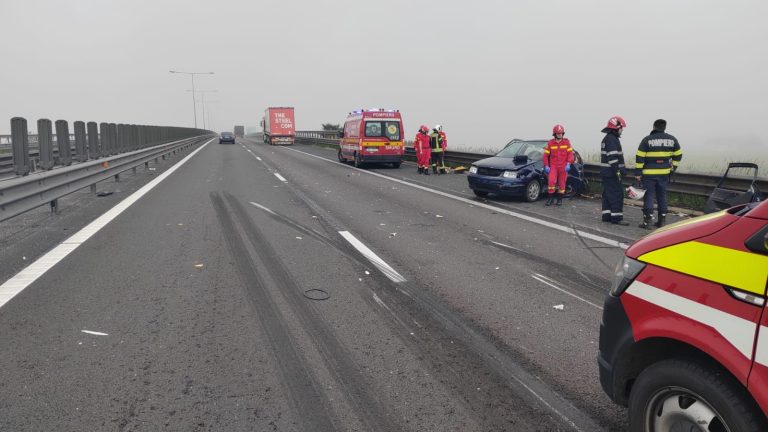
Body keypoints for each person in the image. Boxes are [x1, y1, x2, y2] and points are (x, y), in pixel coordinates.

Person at [635, 119, 682, 229]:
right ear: (664, 127)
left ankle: (648, 222)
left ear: (654, 127)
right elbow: (678, 155)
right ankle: (662, 221)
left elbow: (640, 157)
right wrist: (673, 167)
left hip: (648, 174)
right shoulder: (672, 139)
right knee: (662, 196)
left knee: (649, 196)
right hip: (664, 174)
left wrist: (638, 172)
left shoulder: (647, 140)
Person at [600, 116, 629, 225]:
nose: (622, 130)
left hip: (606, 172)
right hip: (611, 173)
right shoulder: (611, 139)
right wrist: (618, 171)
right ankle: (617, 218)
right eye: (621, 127)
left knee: (608, 194)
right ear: (616, 127)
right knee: (617, 195)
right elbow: (613, 158)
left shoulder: (607, 138)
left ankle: (607, 216)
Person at [542, 124, 575, 206]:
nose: (560, 135)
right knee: (551, 181)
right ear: (555, 134)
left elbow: (570, 154)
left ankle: (560, 199)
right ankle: (550, 199)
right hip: (553, 166)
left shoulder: (566, 142)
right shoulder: (550, 143)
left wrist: (568, 163)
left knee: (562, 183)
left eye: (561, 133)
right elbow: (545, 156)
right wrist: (546, 165)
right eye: (558, 133)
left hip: (563, 166)